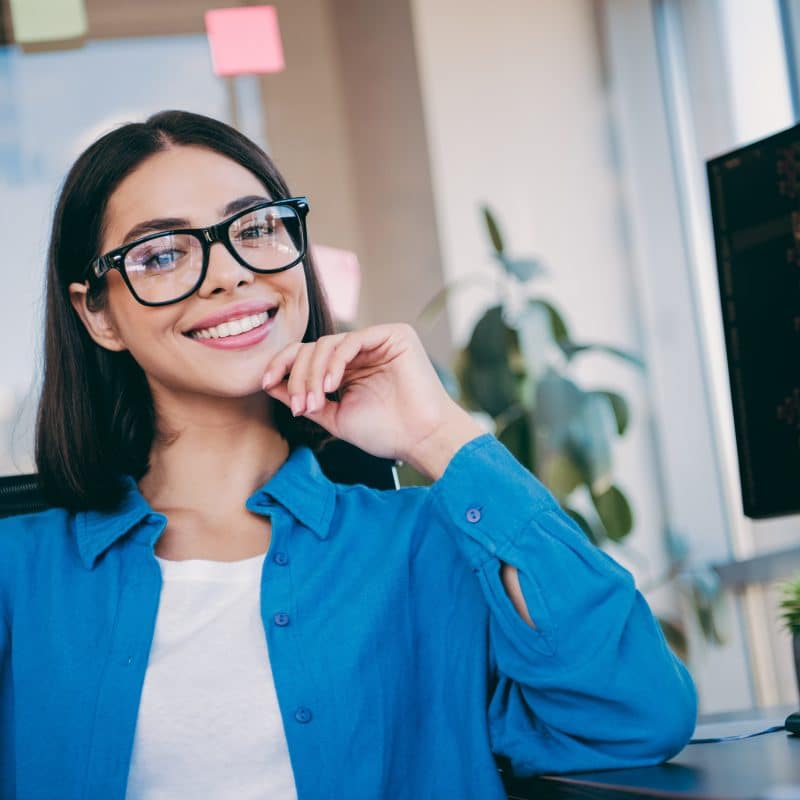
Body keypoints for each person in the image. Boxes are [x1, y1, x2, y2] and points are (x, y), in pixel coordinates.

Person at [0, 110, 696, 800]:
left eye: (255, 228)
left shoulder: (430, 544)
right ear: (98, 313)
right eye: (162, 255)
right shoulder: (18, 572)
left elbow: (632, 719)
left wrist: (437, 436)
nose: (227, 275)